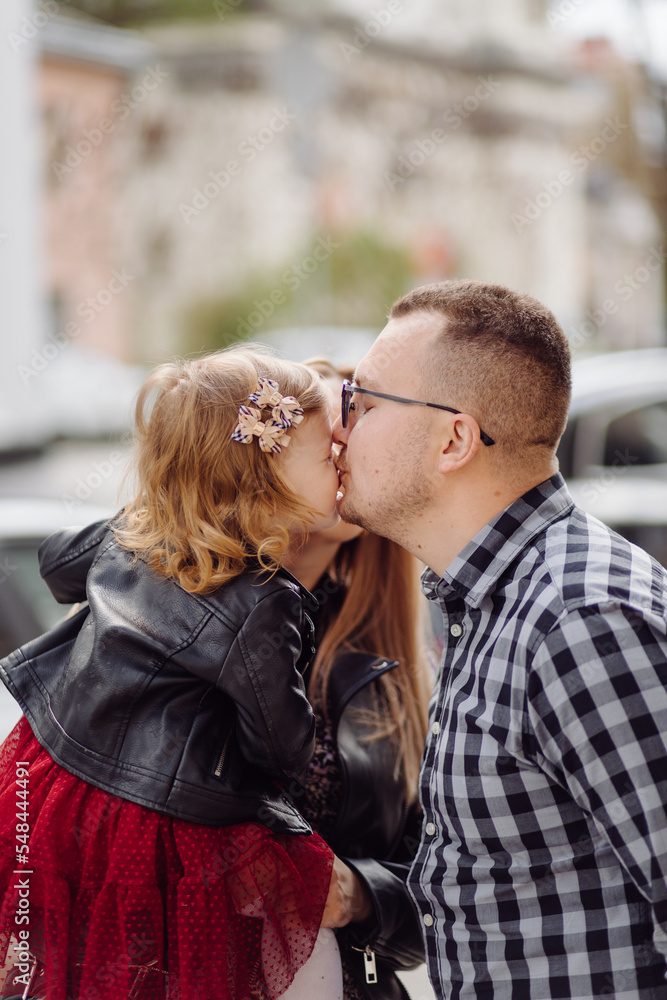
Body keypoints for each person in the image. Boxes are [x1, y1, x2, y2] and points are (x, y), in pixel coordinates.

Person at [333, 279, 667, 1000]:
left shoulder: (576, 619)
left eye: (361, 403)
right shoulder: (489, 600)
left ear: (452, 438)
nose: (341, 429)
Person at [0, 347, 346, 1000]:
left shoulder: (136, 536)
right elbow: (279, 743)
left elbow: (55, 566)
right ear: (262, 474)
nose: (340, 463)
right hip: (156, 820)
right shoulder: (264, 599)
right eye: (326, 453)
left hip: (53, 782)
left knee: (64, 963)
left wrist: (150, 519)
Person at [283, 358, 433, 1000]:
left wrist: (358, 895)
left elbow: (445, 895)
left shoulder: (385, 655)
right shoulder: (170, 619)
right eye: (328, 443)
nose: (346, 454)